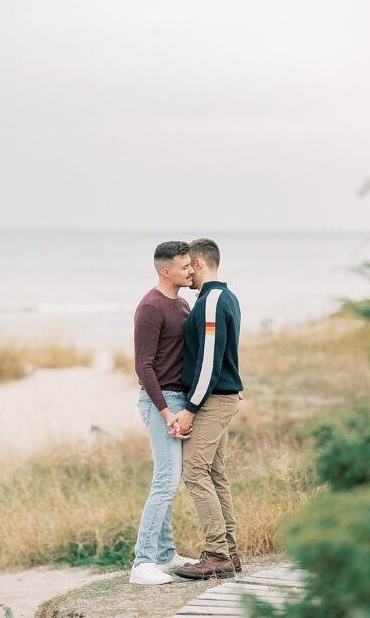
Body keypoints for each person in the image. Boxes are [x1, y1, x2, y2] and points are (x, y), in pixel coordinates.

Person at [170, 238, 244, 580]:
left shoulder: (212, 301)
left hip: (213, 400)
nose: (186, 271)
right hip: (220, 397)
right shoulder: (222, 297)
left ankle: (217, 554)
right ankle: (230, 554)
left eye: (188, 265)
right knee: (214, 473)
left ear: (199, 263)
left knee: (195, 472)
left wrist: (190, 408)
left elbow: (210, 361)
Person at [129, 241, 200, 586]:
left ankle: (166, 554)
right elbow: (143, 366)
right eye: (184, 266)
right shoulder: (150, 307)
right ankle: (142, 562)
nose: (191, 270)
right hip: (161, 402)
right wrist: (165, 412)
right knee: (166, 481)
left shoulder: (182, 304)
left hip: (179, 400)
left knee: (170, 478)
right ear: (166, 271)